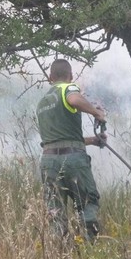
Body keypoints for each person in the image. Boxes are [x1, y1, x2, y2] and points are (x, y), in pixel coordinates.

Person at [36, 59, 107, 243]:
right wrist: (96, 112)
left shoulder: (42, 103)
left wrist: (92, 141)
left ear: (50, 77)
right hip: (73, 161)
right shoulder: (67, 88)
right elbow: (74, 99)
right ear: (71, 77)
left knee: (55, 212)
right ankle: (89, 248)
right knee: (87, 205)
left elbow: (58, 140)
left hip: (48, 161)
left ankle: (61, 254)